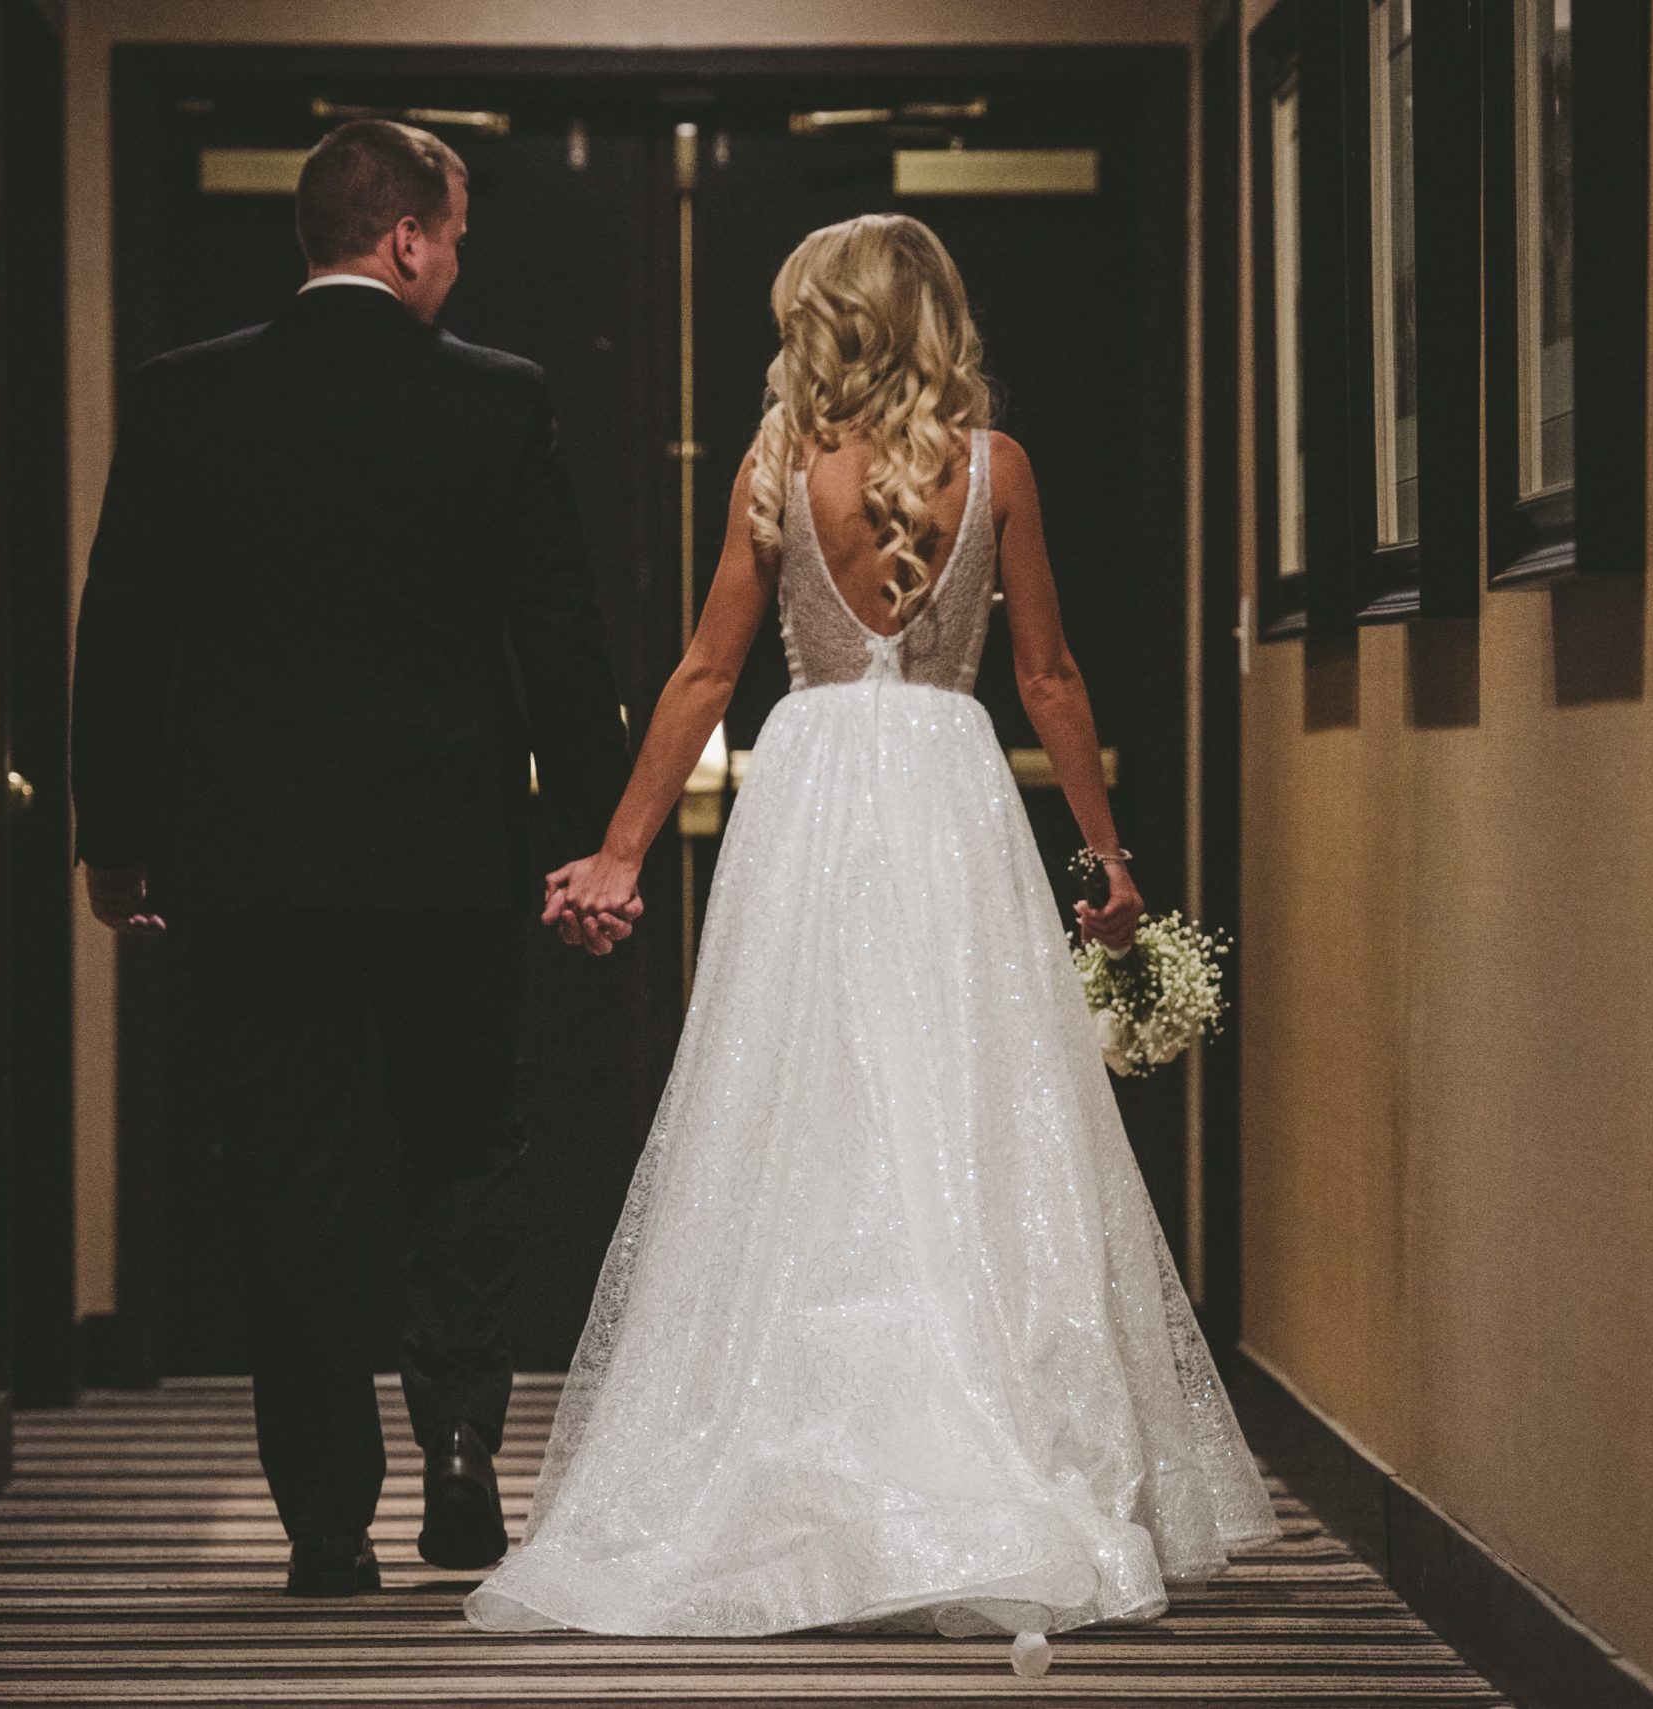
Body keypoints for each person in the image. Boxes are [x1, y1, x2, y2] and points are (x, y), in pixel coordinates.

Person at [464, 214, 1279, 1646]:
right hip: (952, 796)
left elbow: (709, 669)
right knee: (969, 1114)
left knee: (805, 1112)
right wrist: (1105, 855)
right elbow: (1052, 676)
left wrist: (618, 848)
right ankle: (983, 1449)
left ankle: (815, 1458)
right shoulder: (998, 469)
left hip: (815, 804)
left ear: (820, 323)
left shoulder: (781, 467)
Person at [68, 120, 635, 1599]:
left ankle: (326, 1514)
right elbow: (557, 639)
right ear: (405, 239)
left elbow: (122, 632)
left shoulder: (186, 399)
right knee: (465, 1140)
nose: (459, 263)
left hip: (252, 861)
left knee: (293, 1168)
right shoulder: (500, 403)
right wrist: (601, 834)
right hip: (449, 850)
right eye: (454, 236)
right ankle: (458, 1444)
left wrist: (112, 837)